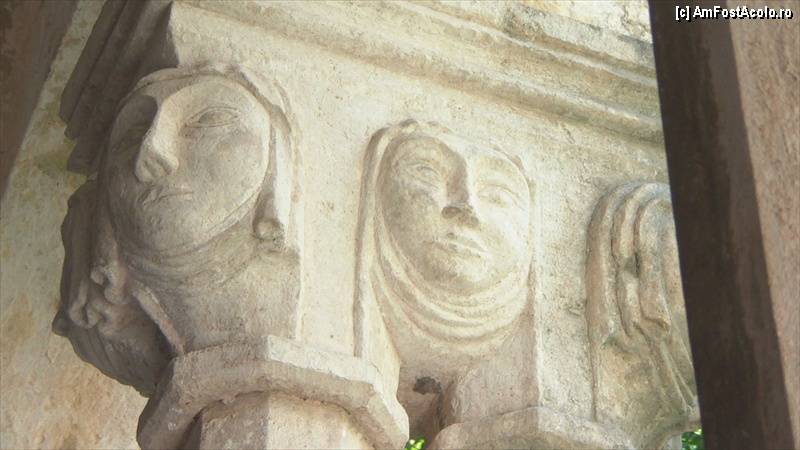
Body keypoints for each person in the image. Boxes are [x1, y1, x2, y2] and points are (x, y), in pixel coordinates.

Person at [53, 64, 299, 395]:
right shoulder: (99, 317)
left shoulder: (299, 305)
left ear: (277, 156)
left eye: (210, 119)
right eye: (131, 136)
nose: (153, 152)